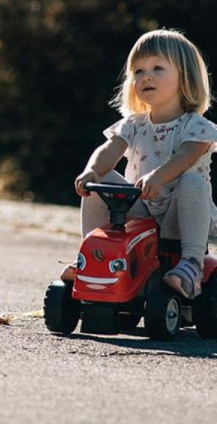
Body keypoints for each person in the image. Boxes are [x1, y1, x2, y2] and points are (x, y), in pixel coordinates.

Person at [61, 27, 217, 300]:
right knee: (101, 182)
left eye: (158, 68)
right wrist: (91, 171)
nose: (146, 76)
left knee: (192, 181)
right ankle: (93, 254)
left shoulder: (197, 127)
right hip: (140, 209)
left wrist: (158, 177)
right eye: (138, 71)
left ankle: (191, 264)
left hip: (178, 217)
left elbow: (186, 157)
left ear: (185, 77)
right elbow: (110, 148)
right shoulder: (134, 125)